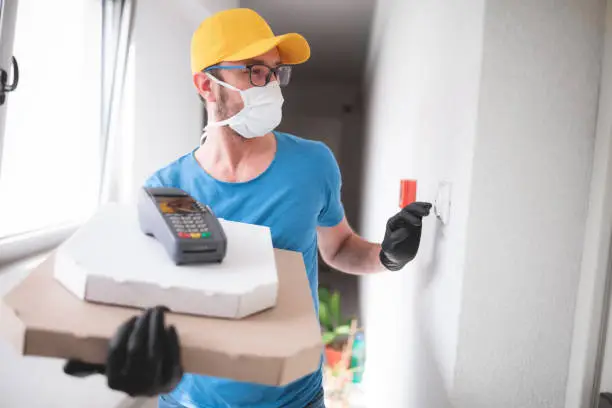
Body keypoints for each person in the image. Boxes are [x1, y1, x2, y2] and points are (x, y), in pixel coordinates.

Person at [64, 7, 431, 408]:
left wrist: (388, 256)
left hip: (297, 397)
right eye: (254, 71)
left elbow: (339, 247)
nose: (271, 85)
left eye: (275, 72)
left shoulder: (313, 164)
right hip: (193, 401)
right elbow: (157, 299)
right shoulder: (165, 190)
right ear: (206, 84)